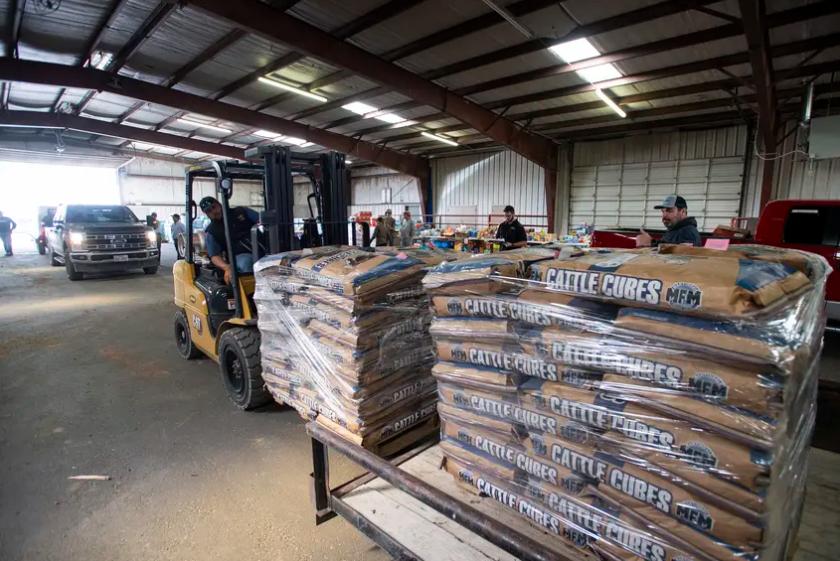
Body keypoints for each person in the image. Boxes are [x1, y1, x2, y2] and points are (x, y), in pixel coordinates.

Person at [199, 196, 260, 284]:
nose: (214, 212)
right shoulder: (212, 232)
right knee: (247, 262)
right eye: (209, 211)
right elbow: (215, 256)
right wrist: (226, 267)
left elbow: (262, 221)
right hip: (241, 256)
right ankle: (253, 293)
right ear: (207, 215)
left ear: (219, 204)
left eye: (214, 207)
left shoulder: (242, 212)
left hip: (262, 248)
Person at [636, 195, 702, 248]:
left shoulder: (689, 231)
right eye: (663, 211)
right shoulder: (673, 231)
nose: (664, 215)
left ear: (683, 211)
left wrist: (652, 242)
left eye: (669, 210)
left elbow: (683, 251)